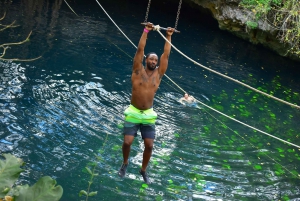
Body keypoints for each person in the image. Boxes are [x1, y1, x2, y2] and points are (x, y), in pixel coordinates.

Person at [118, 22, 174, 184]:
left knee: (149, 146)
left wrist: (168, 36)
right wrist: (145, 31)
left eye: (155, 60)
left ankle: (143, 170)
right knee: (127, 142)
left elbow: (166, 54)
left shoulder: (159, 75)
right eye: (151, 59)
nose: (154, 61)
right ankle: (125, 163)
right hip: (134, 112)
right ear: (146, 60)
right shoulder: (137, 71)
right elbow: (140, 50)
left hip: (149, 114)